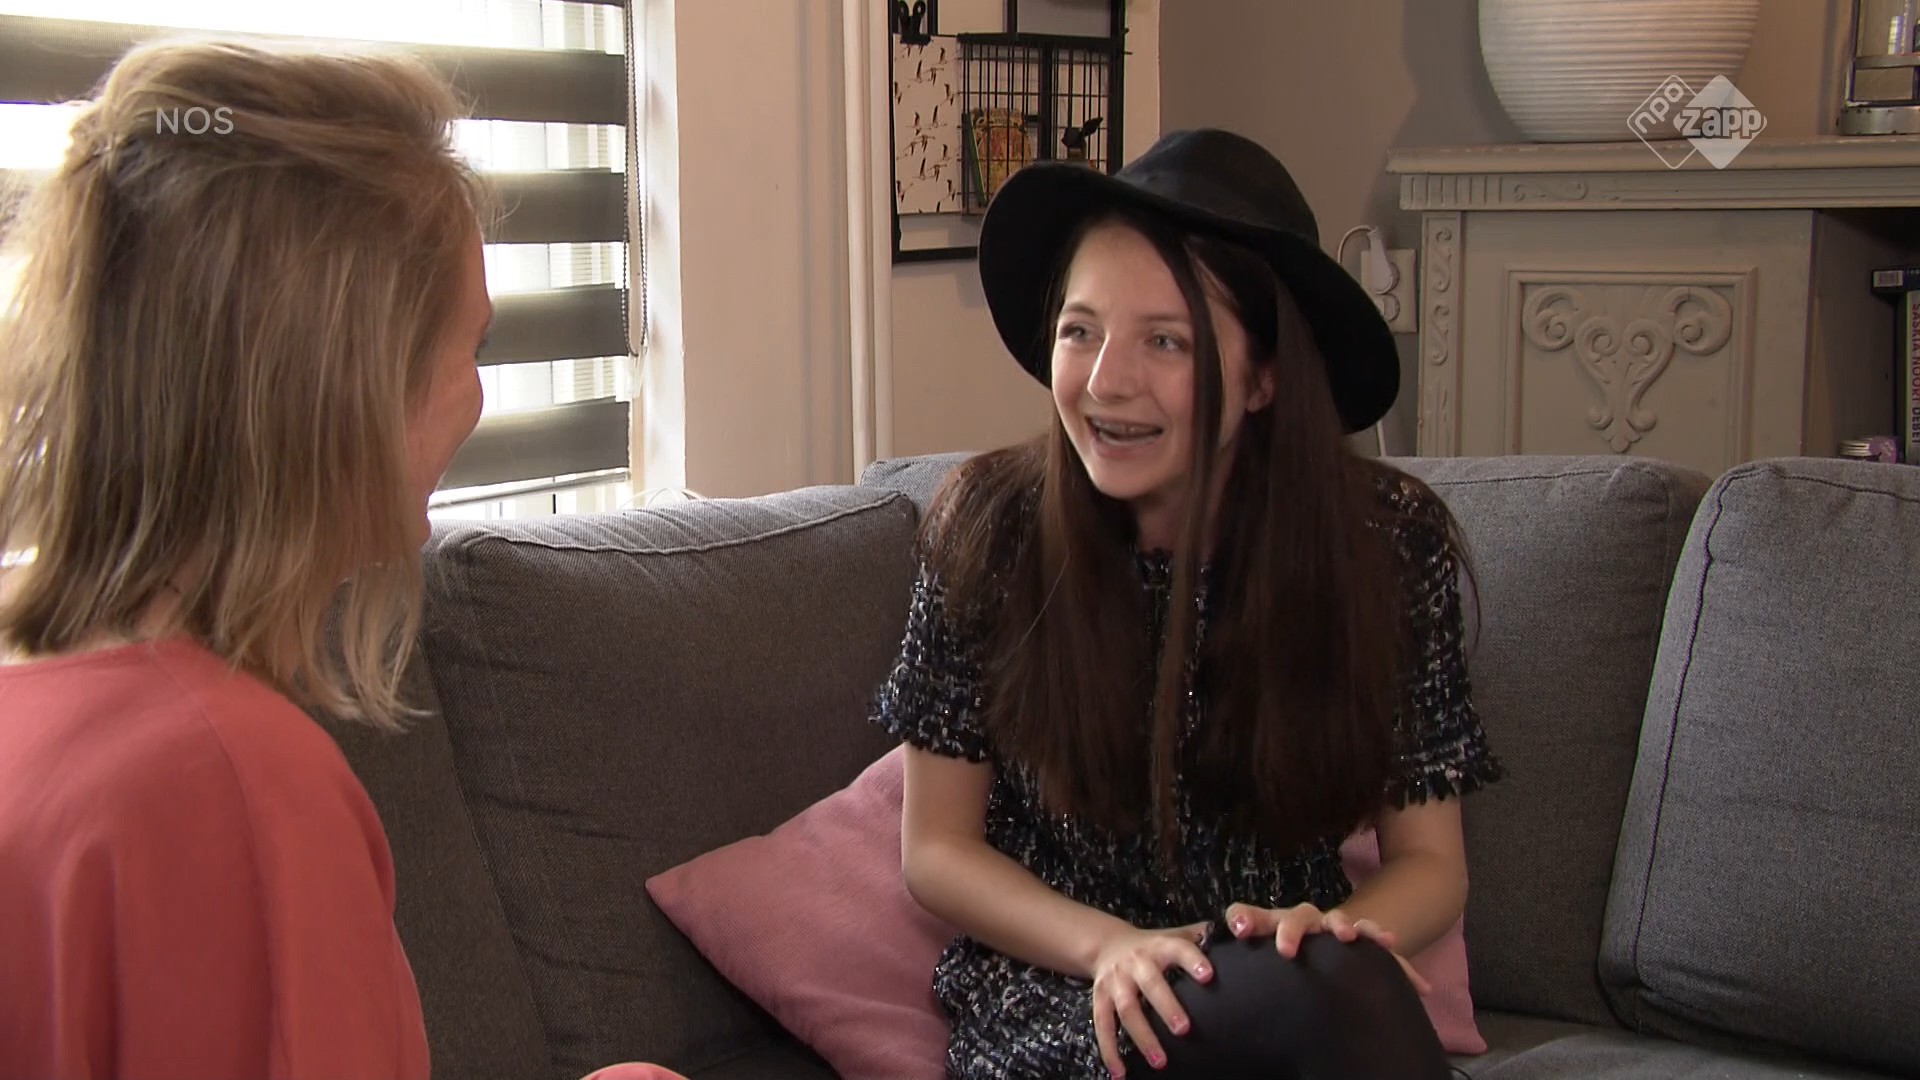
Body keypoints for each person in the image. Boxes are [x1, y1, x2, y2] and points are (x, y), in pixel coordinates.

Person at [0, 38, 684, 1080]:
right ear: (345, 391)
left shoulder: (31, 710)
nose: (477, 396)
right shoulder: (239, 791)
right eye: (471, 348)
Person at [871, 128, 1505, 1080]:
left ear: (1264, 376)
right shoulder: (990, 532)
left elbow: (1432, 863)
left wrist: (1338, 934)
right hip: (1068, 986)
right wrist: (1111, 947)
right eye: (1080, 331)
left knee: (1333, 995)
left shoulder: (1385, 544)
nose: (1105, 381)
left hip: (1287, 971)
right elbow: (936, 851)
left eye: (1165, 341)